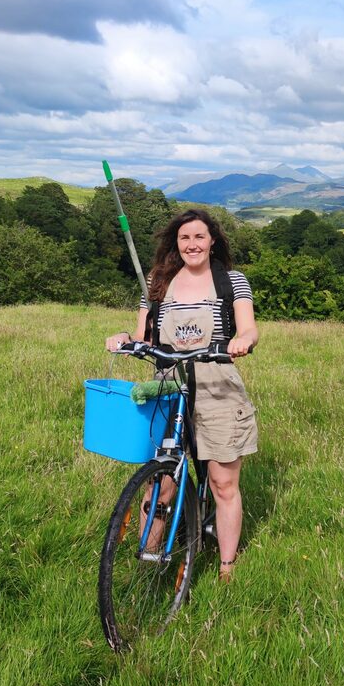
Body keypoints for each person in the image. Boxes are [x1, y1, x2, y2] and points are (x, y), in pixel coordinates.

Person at [106, 209, 258, 583]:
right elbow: (145, 338)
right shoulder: (157, 284)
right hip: (169, 385)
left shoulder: (231, 282)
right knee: (161, 481)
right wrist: (126, 339)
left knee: (223, 483)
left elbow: (250, 328)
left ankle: (226, 566)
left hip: (216, 385)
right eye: (185, 238)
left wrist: (242, 340)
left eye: (199, 237)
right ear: (177, 243)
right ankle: (149, 557)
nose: (192, 244)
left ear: (212, 242)